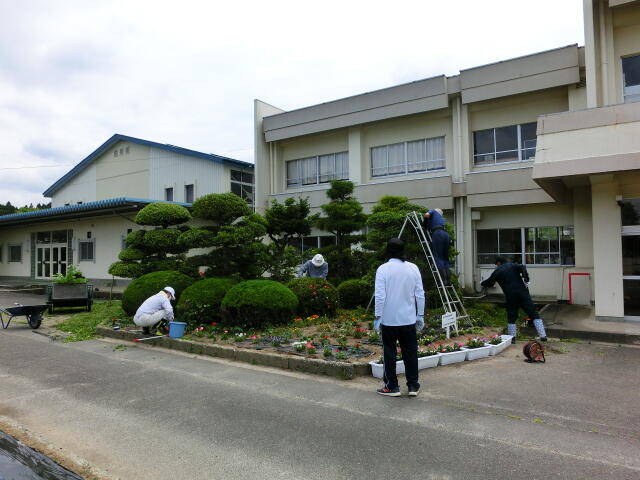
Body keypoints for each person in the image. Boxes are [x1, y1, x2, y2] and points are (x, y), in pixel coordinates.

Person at [374, 238, 425, 397]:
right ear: (403, 250)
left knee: (389, 353)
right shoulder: (413, 268)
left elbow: (380, 296)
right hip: (408, 319)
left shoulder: (383, 269)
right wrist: (420, 314)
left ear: (388, 251)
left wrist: (378, 316)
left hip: (389, 320)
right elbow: (420, 293)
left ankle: (392, 387)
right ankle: (413, 386)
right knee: (410, 353)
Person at [480, 257, 547, 343]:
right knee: (533, 313)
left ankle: (512, 338)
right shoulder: (512, 265)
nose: (496, 266)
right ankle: (543, 336)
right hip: (523, 293)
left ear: (499, 263)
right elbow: (522, 267)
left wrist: (482, 283)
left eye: (496, 264)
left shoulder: (497, 271)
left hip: (511, 296)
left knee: (512, 316)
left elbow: (490, 283)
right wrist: (526, 278)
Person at [422, 208, 451, 285]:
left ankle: (443, 280)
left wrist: (424, 226)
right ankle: (448, 280)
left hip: (438, 234)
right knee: (445, 258)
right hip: (446, 234)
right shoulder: (441, 219)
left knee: (438, 257)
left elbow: (426, 215)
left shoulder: (433, 211)